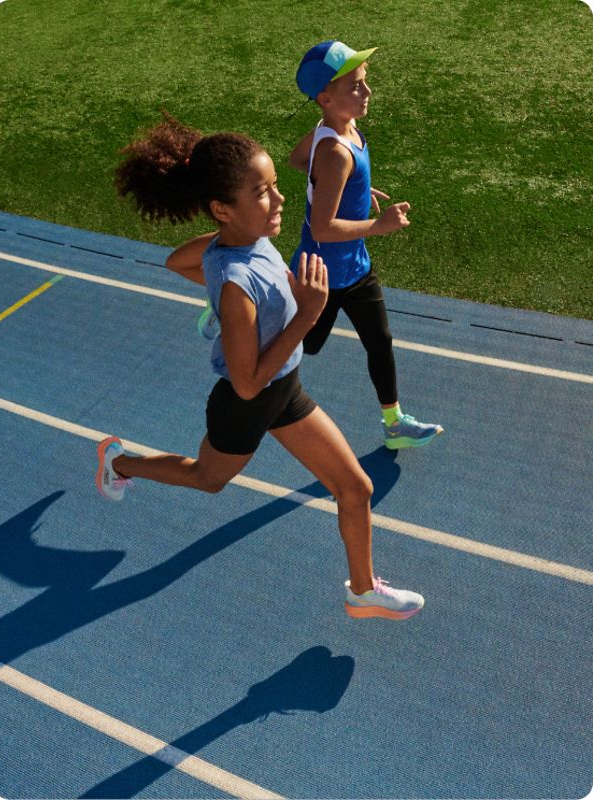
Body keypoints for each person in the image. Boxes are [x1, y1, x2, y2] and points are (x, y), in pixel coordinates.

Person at [98, 113, 424, 621]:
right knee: (208, 479)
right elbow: (247, 384)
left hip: (285, 389)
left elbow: (177, 262)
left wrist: (230, 249)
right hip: (245, 405)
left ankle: (362, 591)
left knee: (355, 488)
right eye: (263, 192)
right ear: (222, 208)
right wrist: (307, 314)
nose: (280, 200)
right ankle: (119, 463)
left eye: (274, 186)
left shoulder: (239, 242)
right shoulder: (234, 285)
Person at [289, 41, 443, 450]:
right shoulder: (336, 152)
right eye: (356, 86)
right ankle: (234, 317)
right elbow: (321, 228)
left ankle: (394, 424)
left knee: (380, 341)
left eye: (365, 81)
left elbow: (296, 160)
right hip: (321, 274)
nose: (367, 92)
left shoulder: (340, 131)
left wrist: (352, 192)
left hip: (354, 268)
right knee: (305, 345)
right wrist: (378, 224)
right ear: (325, 98)